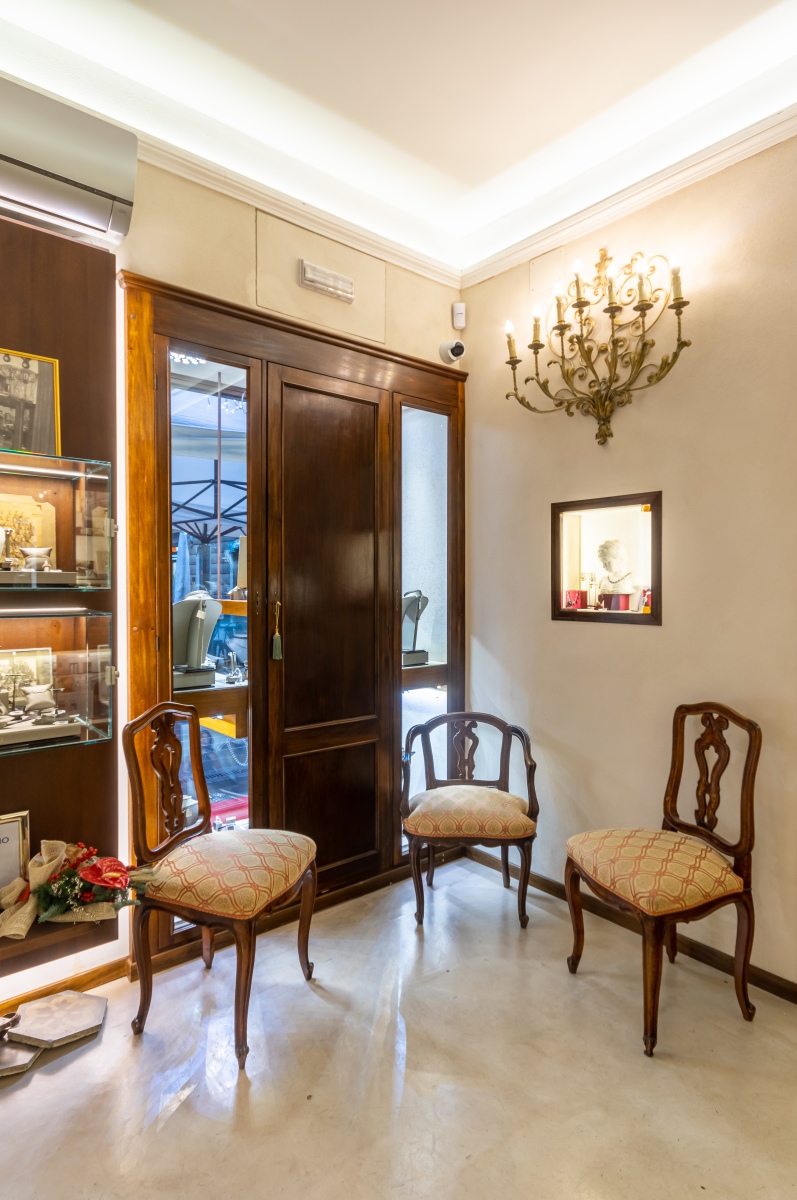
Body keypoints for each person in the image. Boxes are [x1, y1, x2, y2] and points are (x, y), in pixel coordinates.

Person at [596, 539, 642, 610]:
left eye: (607, 562)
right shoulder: (603, 580)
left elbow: (636, 606)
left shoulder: (633, 579)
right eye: (602, 562)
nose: (603, 566)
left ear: (620, 559)